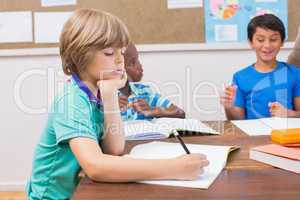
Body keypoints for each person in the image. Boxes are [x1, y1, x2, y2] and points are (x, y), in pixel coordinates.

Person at [26, 9, 209, 200]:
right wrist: (173, 168)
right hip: (54, 197)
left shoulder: (96, 93)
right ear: (79, 55)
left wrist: (109, 94)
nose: (120, 60)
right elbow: (95, 166)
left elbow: (114, 149)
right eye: (109, 52)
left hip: (81, 190)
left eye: (121, 51)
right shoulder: (72, 100)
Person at [220, 14, 300, 120]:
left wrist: (289, 114)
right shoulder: (240, 77)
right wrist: (229, 108)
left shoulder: (294, 73)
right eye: (260, 40)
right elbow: (238, 120)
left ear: (282, 42)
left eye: (273, 39)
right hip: (253, 136)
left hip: (285, 135)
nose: (267, 45)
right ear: (251, 42)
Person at [118, 42, 185, 120]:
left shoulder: (144, 91)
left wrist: (152, 110)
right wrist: (108, 107)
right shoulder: (105, 97)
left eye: (136, 60)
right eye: (133, 62)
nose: (140, 65)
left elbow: (180, 113)